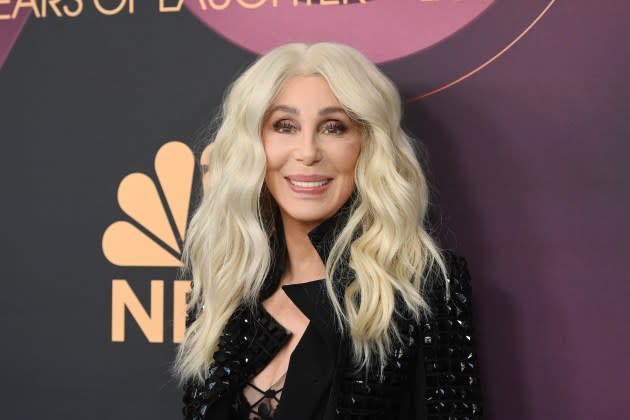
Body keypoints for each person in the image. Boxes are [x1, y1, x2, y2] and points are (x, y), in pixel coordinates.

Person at [175, 42, 482, 420]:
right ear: (254, 145)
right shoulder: (224, 291)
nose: (307, 152)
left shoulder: (423, 286)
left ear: (367, 145)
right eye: (284, 126)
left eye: (333, 127)